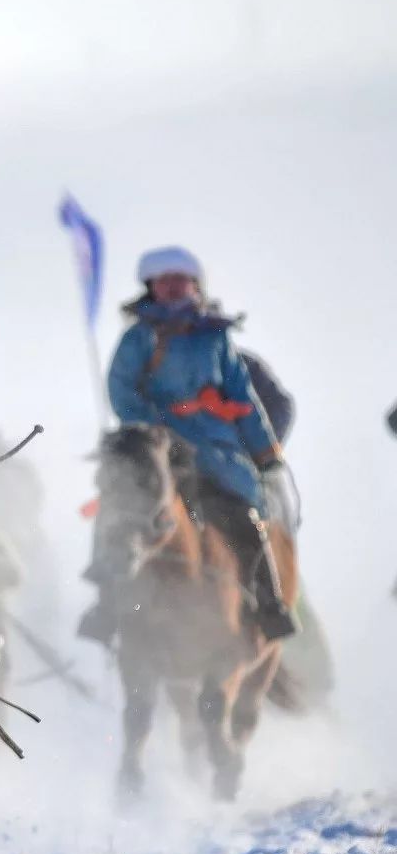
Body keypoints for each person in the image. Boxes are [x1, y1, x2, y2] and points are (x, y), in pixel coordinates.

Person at [79, 245, 299, 646]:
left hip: (217, 455)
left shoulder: (216, 339)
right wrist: (158, 432)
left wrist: (265, 452)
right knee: (121, 506)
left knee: (244, 521)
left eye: (181, 281)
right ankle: (107, 604)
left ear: (195, 286)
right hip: (157, 453)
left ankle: (268, 605)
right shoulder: (139, 337)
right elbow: (121, 390)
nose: (173, 288)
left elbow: (242, 397)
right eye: (165, 282)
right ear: (152, 289)